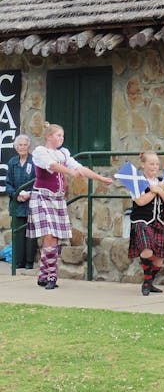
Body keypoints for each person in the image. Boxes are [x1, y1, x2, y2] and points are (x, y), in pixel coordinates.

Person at [27, 123, 113, 290]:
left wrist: (100, 178)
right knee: (50, 235)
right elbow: (52, 166)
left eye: (63, 136)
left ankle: (43, 274)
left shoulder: (64, 153)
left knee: (54, 237)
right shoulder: (40, 152)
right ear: (49, 136)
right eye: (58, 135)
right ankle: (52, 275)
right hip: (42, 196)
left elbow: (80, 168)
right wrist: (70, 172)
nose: (61, 138)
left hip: (58, 199)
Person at [128, 151, 164, 296]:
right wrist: (154, 191)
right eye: (151, 164)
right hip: (141, 221)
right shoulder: (137, 182)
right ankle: (147, 283)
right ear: (143, 165)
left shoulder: (163, 181)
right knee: (147, 250)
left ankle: (149, 283)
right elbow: (140, 201)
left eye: (156, 164)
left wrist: (159, 190)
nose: (154, 167)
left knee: (160, 258)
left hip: (159, 222)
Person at [4, 134, 37, 269]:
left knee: (30, 233)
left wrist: (29, 194)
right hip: (17, 204)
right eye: (20, 145)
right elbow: (8, 184)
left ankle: (29, 261)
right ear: (16, 147)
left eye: (25, 145)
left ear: (28, 146)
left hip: (31, 203)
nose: (22, 147)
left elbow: (38, 181)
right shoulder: (12, 162)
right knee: (18, 233)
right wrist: (16, 195)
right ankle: (18, 261)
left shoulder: (34, 161)